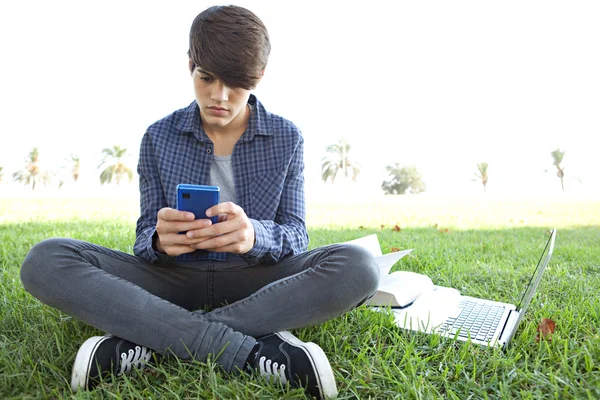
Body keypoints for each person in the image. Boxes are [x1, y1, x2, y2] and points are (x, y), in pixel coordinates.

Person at [20, 5, 379, 399]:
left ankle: (151, 336)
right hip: (171, 279)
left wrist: (253, 236)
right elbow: (143, 237)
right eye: (206, 78)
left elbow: (296, 234)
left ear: (258, 78)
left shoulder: (286, 138)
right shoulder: (158, 137)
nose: (218, 96)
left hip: (255, 280)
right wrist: (158, 241)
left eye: (235, 84)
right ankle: (252, 349)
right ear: (190, 65)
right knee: (46, 260)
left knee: (358, 267)